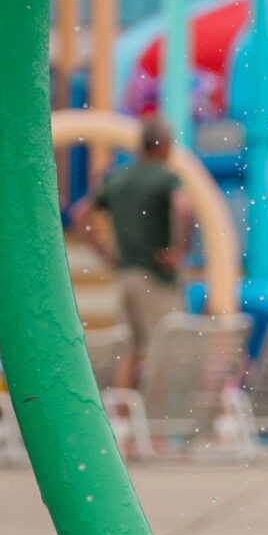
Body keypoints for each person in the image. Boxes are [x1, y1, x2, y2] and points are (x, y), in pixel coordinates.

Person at [70, 116, 192, 387]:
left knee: (128, 351)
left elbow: (80, 215)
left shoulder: (120, 180)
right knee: (162, 349)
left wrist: (103, 252)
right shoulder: (165, 177)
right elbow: (183, 208)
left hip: (124, 277)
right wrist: (178, 250)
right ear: (162, 146)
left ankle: (124, 421)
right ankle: (156, 427)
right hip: (154, 278)